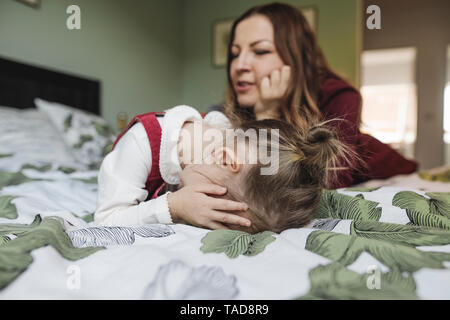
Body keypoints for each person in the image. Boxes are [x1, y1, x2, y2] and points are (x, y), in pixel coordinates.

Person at [213, 2, 417, 188]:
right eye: (234, 53)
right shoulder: (237, 107)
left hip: (395, 167)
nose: (239, 65)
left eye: (260, 51)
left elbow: (327, 183)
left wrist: (268, 115)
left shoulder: (339, 96)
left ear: (295, 59)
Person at [94, 105, 351, 233]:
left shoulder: (225, 153)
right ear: (225, 159)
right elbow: (106, 219)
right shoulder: (140, 145)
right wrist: (176, 206)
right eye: (213, 203)